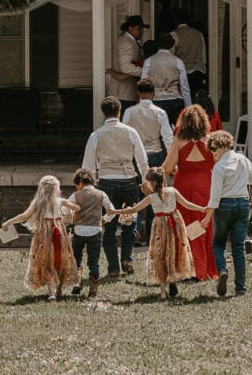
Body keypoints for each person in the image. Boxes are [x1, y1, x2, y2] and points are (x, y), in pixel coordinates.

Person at [111, 168, 206, 301]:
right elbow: (187, 205)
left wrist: (114, 212)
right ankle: (172, 280)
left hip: (160, 226)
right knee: (173, 251)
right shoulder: (173, 191)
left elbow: (134, 209)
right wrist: (202, 208)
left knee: (160, 254)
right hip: (175, 223)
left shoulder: (151, 197)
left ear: (153, 183)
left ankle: (163, 292)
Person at [81, 96, 150, 278]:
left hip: (106, 181)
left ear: (103, 112)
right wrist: (145, 180)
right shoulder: (130, 132)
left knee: (109, 227)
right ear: (119, 111)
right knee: (129, 222)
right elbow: (142, 160)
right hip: (128, 179)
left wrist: (90, 185)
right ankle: (126, 258)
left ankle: (113, 267)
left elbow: (87, 165)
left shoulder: (96, 135)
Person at [200, 130, 252, 297]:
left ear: (221, 146)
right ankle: (240, 288)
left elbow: (215, 198)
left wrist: (206, 219)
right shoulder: (243, 160)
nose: (212, 153)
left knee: (218, 243)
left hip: (224, 205)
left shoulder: (219, 167)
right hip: (242, 204)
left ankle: (222, 270)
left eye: (213, 149)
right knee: (238, 247)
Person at [0, 175, 80, 301]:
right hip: (59, 233)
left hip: (44, 235)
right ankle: (58, 289)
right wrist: (68, 211)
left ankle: (52, 291)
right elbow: (77, 207)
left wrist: (8, 222)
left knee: (46, 261)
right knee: (59, 259)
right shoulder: (60, 201)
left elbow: (24, 216)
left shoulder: (38, 203)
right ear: (55, 189)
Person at [161, 104, 218, 282]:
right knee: (202, 225)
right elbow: (219, 165)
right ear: (203, 121)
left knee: (184, 225)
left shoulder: (178, 140)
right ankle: (204, 269)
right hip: (205, 185)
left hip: (183, 185)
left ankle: (188, 268)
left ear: (183, 122)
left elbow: (167, 167)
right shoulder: (210, 140)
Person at [123, 79, 174, 240]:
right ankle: (153, 230)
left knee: (138, 191)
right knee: (156, 190)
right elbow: (168, 137)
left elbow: (124, 134)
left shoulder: (130, 112)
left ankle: (136, 229)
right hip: (155, 153)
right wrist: (173, 160)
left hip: (136, 154)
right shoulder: (160, 112)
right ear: (153, 93)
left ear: (138, 93)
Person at [66, 168, 118, 298]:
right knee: (94, 262)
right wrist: (105, 219)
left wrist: (70, 217)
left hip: (79, 230)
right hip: (95, 230)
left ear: (80, 182)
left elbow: (65, 208)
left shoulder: (75, 195)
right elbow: (111, 210)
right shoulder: (101, 194)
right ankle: (93, 289)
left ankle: (77, 282)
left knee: (76, 257)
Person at [141, 32, 190, 127]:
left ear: (157, 44)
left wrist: (143, 105)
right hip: (175, 100)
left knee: (158, 131)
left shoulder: (149, 61)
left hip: (156, 100)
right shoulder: (178, 61)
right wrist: (188, 107)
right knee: (177, 133)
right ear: (171, 44)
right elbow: (184, 87)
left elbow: (144, 85)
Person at [106, 14, 148, 116]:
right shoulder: (127, 43)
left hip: (125, 91)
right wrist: (146, 71)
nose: (141, 32)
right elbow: (126, 67)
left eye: (142, 29)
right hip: (124, 92)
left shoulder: (127, 40)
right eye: (138, 29)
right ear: (130, 28)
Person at [171, 9, 206, 103]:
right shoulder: (198, 34)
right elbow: (203, 55)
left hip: (183, 73)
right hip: (198, 71)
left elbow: (170, 57)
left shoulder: (174, 34)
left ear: (175, 20)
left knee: (183, 102)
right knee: (196, 101)